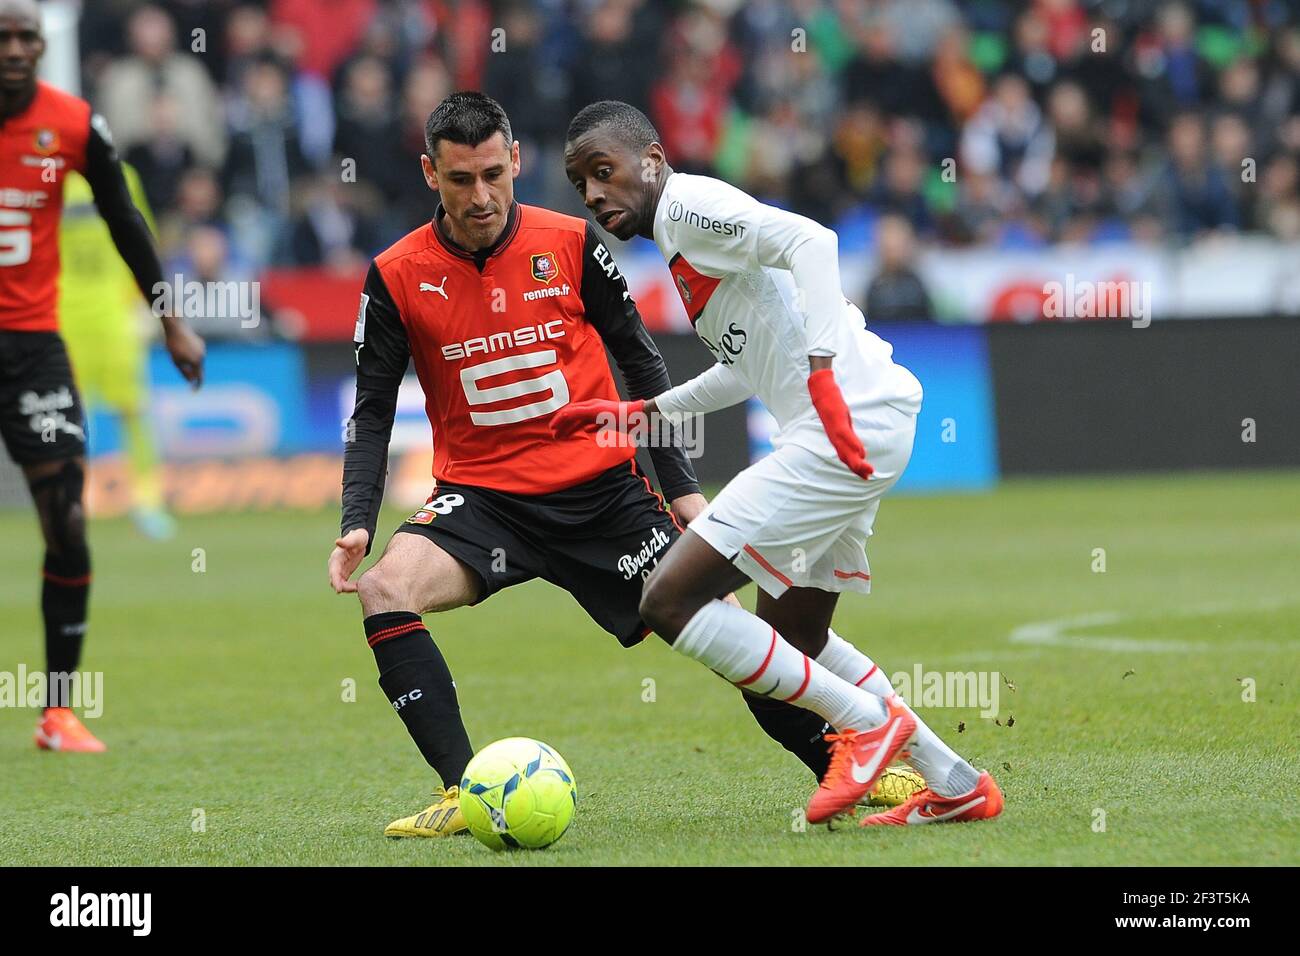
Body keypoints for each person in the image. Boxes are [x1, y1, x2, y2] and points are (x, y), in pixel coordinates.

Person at [327, 92, 856, 838]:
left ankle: (848, 757)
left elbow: (643, 367)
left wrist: (681, 490)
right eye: (459, 180)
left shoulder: (572, 243)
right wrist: (357, 522)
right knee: (383, 588)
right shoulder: (397, 274)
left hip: (603, 493)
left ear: (514, 161)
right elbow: (373, 409)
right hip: (482, 501)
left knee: (722, 627)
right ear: (429, 174)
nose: (480, 197)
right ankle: (462, 790)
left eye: (491, 174)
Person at [560, 100, 1002, 826]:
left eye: (604, 172)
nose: (596, 195)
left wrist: (824, 369)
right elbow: (746, 366)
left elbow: (813, 241)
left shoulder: (690, 207)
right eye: (582, 186)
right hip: (860, 425)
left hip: (839, 426)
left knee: (668, 603)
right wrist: (644, 414)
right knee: (797, 636)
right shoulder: (680, 239)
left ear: (652, 159)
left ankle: (864, 723)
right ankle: (956, 782)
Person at [0, 0, 204, 751]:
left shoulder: (73, 124)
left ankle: (55, 711)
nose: (17, 48)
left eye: (28, 37)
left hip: (31, 346)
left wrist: (170, 317)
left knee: (69, 522)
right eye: (5, 37)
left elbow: (125, 220)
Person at [59, 166, 176, 539]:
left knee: (133, 409)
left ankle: (147, 502)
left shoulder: (122, 175)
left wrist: (145, 302)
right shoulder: (46, 176)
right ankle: (70, 501)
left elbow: (141, 238)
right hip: (63, 313)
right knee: (67, 413)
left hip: (115, 313)